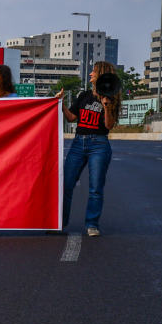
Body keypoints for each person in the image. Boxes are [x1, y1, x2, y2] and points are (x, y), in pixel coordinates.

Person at [58, 60, 121, 237]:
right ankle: (60, 223)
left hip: (99, 145)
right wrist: (61, 103)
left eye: (94, 71)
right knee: (66, 185)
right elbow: (71, 118)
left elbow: (108, 126)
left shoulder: (111, 97)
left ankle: (92, 224)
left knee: (95, 187)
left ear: (101, 74)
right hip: (78, 143)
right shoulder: (84, 95)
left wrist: (106, 105)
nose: (91, 74)